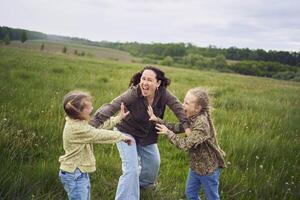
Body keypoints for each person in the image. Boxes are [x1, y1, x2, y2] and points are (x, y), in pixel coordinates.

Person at [90, 66, 189, 200]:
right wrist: (92, 125)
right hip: (126, 132)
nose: (145, 83)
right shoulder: (133, 93)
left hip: (147, 135)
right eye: (143, 79)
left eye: (149, 80)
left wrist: (187, 127)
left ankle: (142, 186)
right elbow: (112, 106)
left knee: (154, 163)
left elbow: (179, 109)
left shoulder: (164, 94)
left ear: (158, 83)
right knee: (132, 170)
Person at [151, 87, 226, 200]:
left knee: (212, 197)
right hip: (195, 167)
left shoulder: (202, 124)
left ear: (197, 108)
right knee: (190, 194)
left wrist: (168, 133)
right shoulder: (191, 118)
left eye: (186, 103)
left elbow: (185, 144)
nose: (182, 105)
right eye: (183, 101)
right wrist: (157, 120)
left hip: (208, 170)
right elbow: (177, 127)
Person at [58, 91, 133, 200]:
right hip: (74, 173)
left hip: (79, 171)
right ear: (79, 112)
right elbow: (99, 134)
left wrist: (118, 118)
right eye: (88, 107)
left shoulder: (77, 121)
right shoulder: (77, 129)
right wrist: (121, 136)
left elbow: (98, 126)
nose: (92, 108)